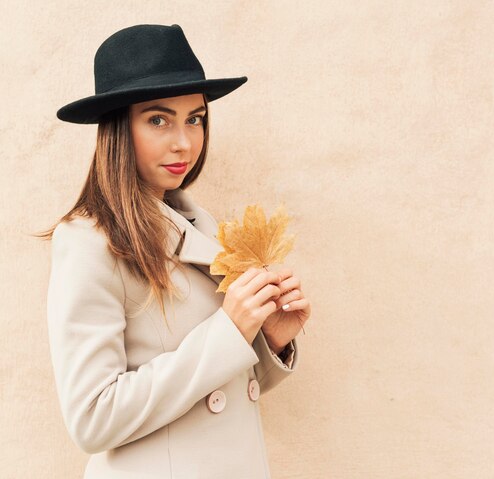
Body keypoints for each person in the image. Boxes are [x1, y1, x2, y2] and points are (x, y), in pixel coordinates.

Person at [39, 23, 311, 478]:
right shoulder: (89, 240)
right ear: (118, 128)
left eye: (195, 118)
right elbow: (92, 418)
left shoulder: (201, 226)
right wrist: (229, 329)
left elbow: (211, 394)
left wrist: (269, 340)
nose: (184, 141)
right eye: (158, 119)